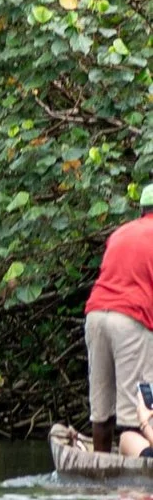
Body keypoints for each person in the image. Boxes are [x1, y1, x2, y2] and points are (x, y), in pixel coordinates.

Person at [88, 185, 153, 453]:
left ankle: (99, 466)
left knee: (101, 411)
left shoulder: (120, 233)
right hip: (131, 320)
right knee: (134, 412)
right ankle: (135, 484)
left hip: (95, 315)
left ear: (141, 210)